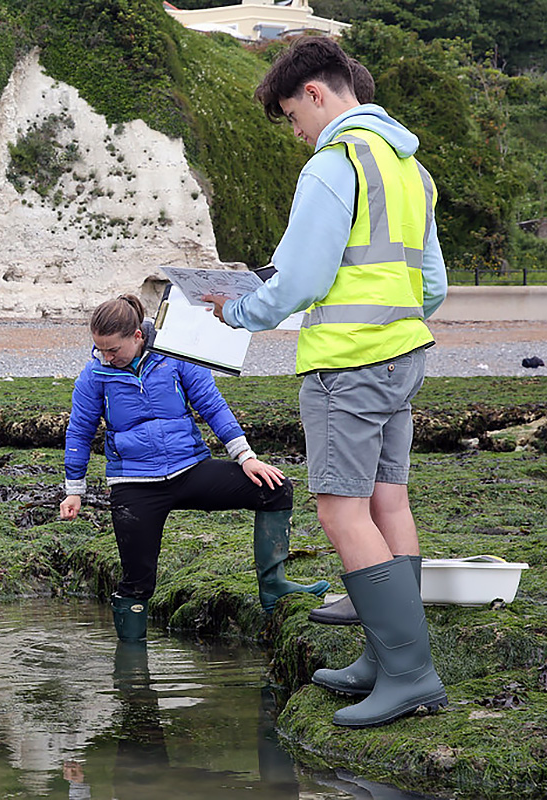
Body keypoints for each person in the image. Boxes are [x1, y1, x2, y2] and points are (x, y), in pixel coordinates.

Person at [203, 36, 449, 728]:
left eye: (291, 115)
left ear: (314, 92)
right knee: (387, 499)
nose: (295, 131)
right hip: (402, 353)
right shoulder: (408, 166)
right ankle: (383, 656)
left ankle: (410, 674)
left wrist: (236, 312)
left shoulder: (334, 162)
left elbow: (301, 281)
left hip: (347, 362)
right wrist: (389, 319)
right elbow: (432, 285)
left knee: (341, 511)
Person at [59, 295, 329, 642]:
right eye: (100, 349)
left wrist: (245, 456)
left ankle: (274, 588)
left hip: (190, 469)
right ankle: (130, 666)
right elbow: (79, 431)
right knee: (137, 582)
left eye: (113, 349)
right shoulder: (94, 375)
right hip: (134, 482)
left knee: (275, 489)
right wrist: (74, 490)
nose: (106, 357)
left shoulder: (175, 354)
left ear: (137, 336)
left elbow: (212, 404)